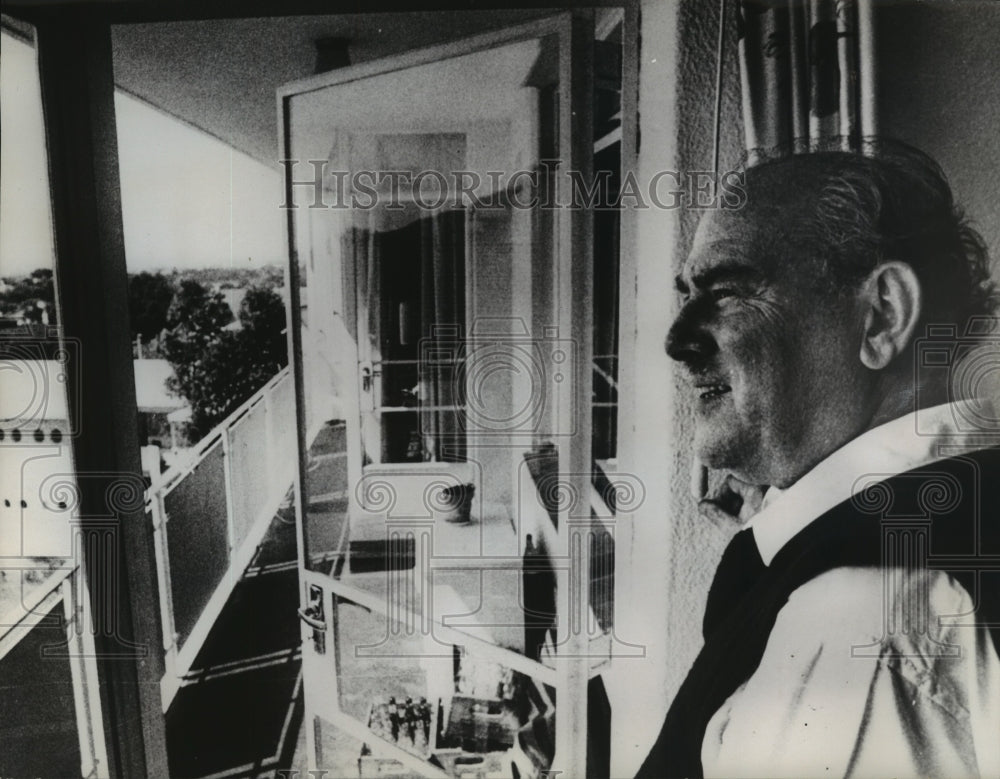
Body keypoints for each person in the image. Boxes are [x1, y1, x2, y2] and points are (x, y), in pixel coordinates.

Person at [638, 143, 1000, 778]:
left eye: (726, 291)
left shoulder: (861, 615)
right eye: (685, 294)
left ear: (882, 315)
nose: (678, 340)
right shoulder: (955, 518)